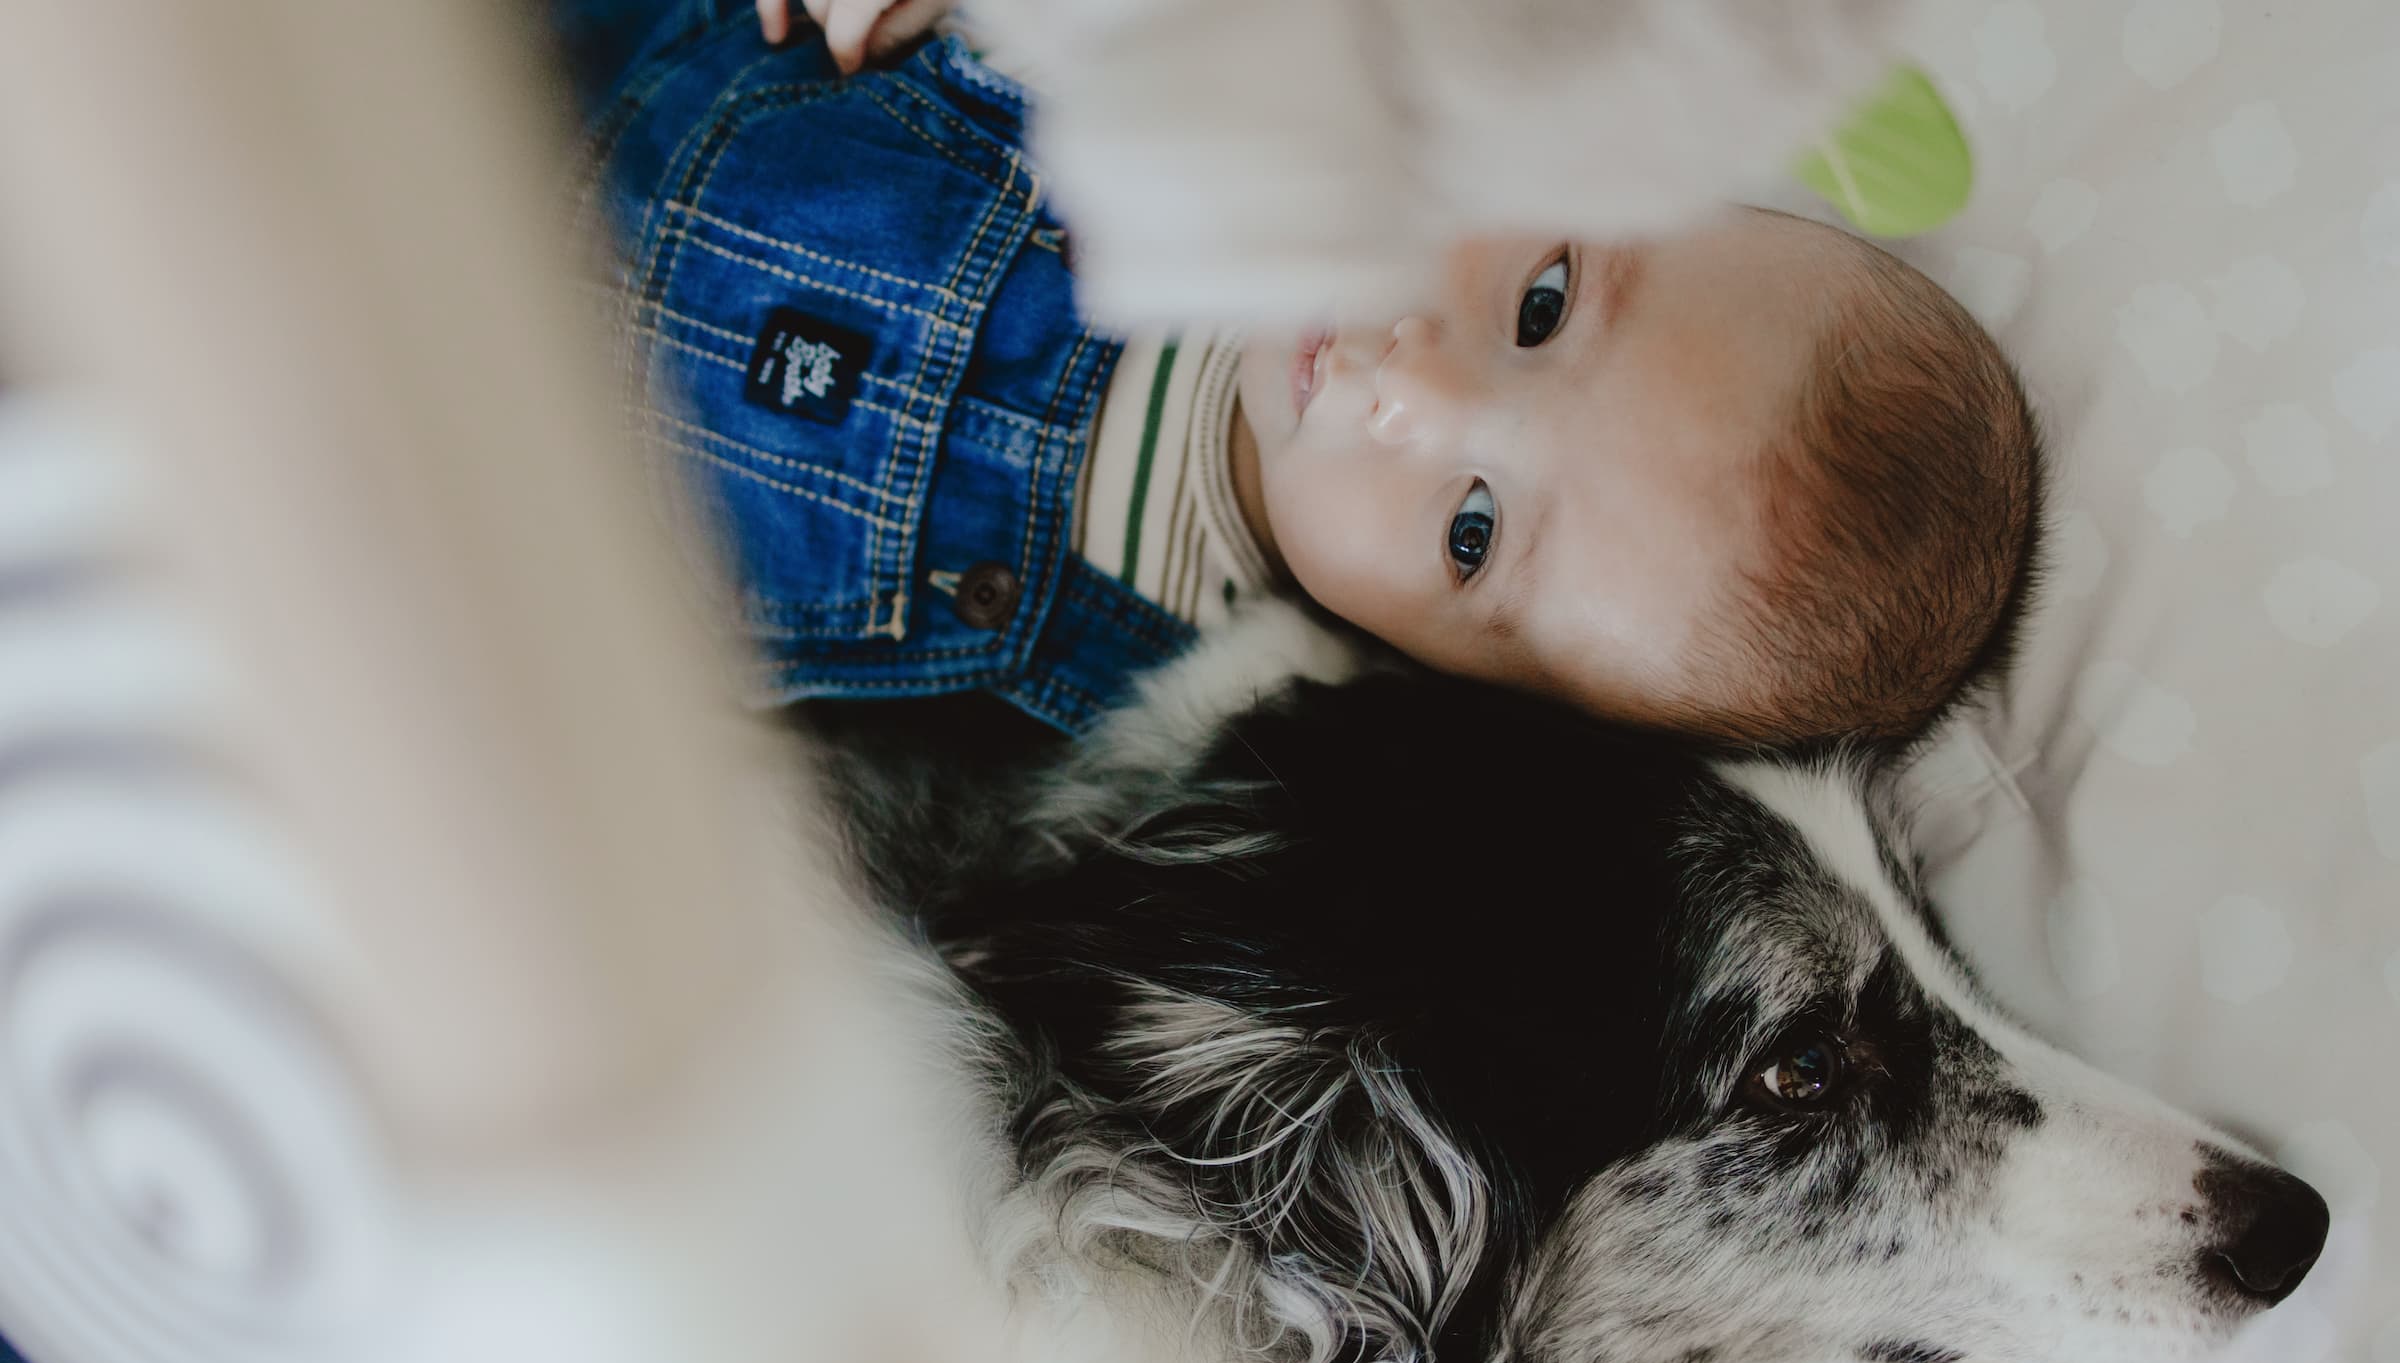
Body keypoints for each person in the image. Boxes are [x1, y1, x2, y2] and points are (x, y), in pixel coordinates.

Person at [563, 0, 2044, 746]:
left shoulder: (1184, 725)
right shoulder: (1279, 97)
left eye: (1474, 529)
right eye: (1543, 302)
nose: (1418, 384)